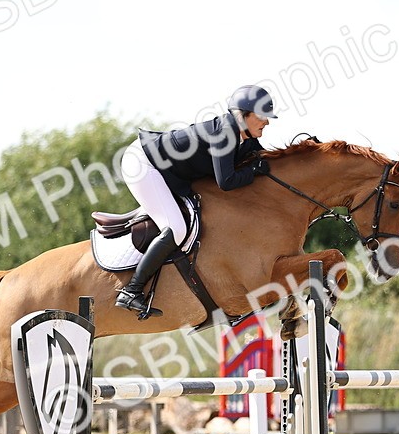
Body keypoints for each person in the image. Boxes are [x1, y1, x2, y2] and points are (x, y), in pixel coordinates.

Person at [115, 84, 279, 315]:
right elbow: (227, 181)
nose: (267, 122)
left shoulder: (245, 138)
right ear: (243, 115)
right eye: (262, 116)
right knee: (177, 228)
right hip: (144, 163)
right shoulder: (224, 133)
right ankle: (131, 291)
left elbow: (266, 159)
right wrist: (254, 171)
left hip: (165, 168)